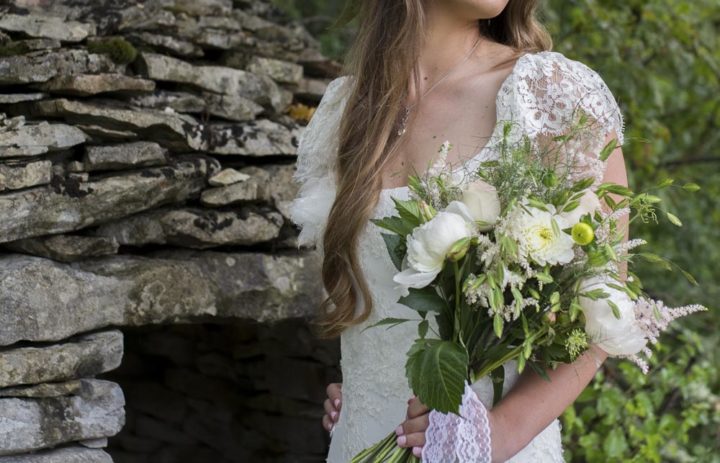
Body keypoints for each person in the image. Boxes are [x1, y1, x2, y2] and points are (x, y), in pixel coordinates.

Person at [289, 0, 627, 461]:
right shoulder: (345, 109)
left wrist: (495, 435)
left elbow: (605, 307)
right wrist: (364, 387)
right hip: (362, 441)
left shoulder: (551, 96)